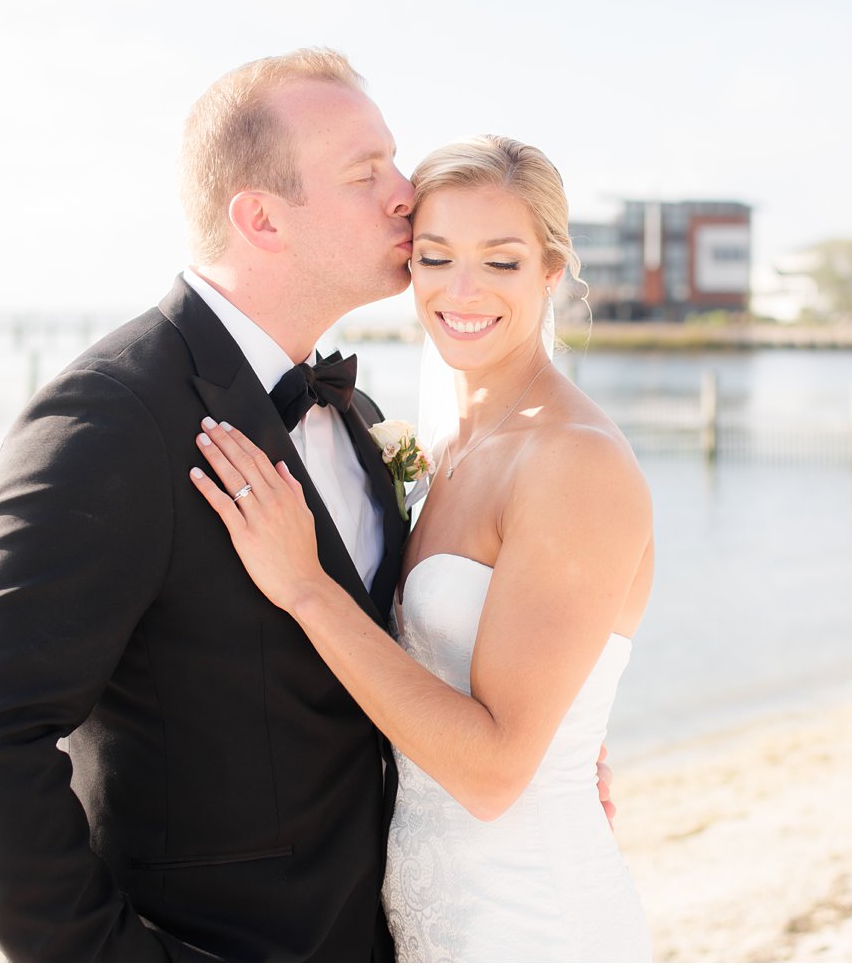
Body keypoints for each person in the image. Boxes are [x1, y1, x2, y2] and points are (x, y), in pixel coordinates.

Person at [0, 49, 609, 961]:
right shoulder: (113, 415)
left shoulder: (355, 418)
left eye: (395, 164)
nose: (407, 194)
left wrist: (558, 746)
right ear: (261, 219)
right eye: (367, 174)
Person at [188, 134, 654, 961]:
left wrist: (306, 588)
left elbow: (492, 772)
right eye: (436, 258)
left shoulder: (574, 460)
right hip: (434, 913)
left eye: (502, 263)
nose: (462, 291)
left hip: (532, 919)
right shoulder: (453, 439)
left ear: (552, 272)